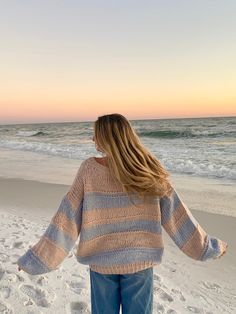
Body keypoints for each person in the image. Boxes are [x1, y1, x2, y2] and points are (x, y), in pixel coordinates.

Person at [17, 113, 228, 314]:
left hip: (102, 262)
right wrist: (207, 247)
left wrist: (36, 259)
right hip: (139, 261)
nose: (92, 138)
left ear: (108, 138)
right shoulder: (147, 168)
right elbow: (177, 215)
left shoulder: (89, 169)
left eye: (96, 134)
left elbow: (66, 217)